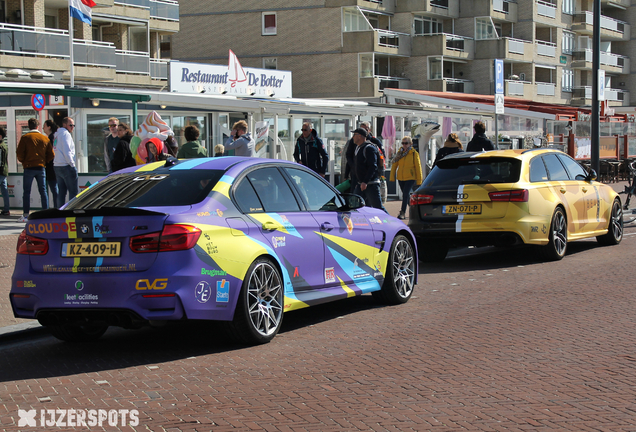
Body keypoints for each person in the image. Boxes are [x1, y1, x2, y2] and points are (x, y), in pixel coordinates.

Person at [16, 118, 54, 222]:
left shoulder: (25, 138)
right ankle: (45, 213)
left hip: (28, 167)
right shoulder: (44, 138)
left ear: (29, 126)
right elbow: (51, 154)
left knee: (27, 192)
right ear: (38, 126)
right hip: (41, 167)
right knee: (43, 191)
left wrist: (24, 162)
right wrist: (44, 161)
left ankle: (25, 215)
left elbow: (19, 153)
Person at [352, 127, 387, 213]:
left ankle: (391, 223)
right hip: (361, 184)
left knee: (378, 208)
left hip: (371, 184)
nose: (353, 137)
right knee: (353, 206)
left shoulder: (369, 148)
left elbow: (373, 167)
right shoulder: (358, 148)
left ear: (360, 136)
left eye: (354, 135)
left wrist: (365, 182)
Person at [390, 136, 422, 220]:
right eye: (403, 143)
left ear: (410, 144)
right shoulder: (399, 153)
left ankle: (402, 212)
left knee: (405, 195)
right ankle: (415, 211)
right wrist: (392, 176)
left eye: (406, 143)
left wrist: (419, 180)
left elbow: (418, 167)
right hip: (401, 177)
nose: (404, 145)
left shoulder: (414, 153)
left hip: (410, 177)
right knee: (407, 196)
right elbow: (394, 165)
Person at [53, 117, 79, 209]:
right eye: (70, 125)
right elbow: (67, 151)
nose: (72, 127)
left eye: (73, 125)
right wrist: (72, 165)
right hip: (66, 166)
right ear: (64, 125)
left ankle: (60, 212)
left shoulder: (57, 134)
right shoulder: (65, 134)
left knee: (61, 192)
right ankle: (71, 211)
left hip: (57, 166)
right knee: (73, 192)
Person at [42, 120, 59, 208]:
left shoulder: (51, 138)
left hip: (51, 167)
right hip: (52, 167)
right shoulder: (52, 137)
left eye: (44, 126)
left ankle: (57, 208)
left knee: (54, 189)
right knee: (54, 189)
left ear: (49, 127)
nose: (43, 128)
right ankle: (57, 207)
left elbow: (51, 153)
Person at [0, 127, 10, 216]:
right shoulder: (4, 145)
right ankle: (6, 209)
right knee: (4, 190)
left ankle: (6, 209)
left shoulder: (0, 146)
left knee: (4, 190)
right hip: (4, 171)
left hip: (0, 171)